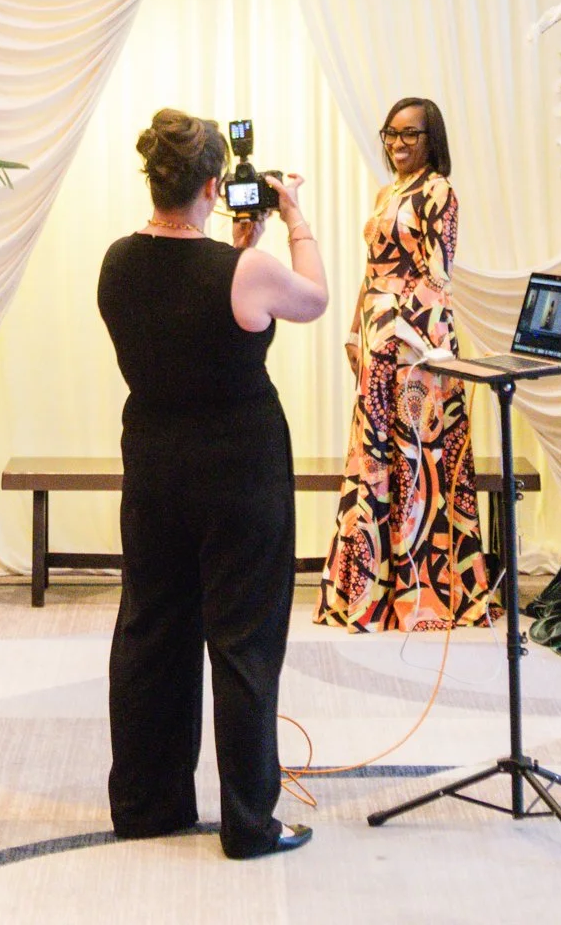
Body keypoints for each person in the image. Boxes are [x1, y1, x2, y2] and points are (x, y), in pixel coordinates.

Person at [97, 107, 329, 860]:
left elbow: (178, 310)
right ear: (212, 183)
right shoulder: (247, 270)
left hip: (154, 463)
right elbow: (312, 299)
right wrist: (293, 217)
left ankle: (145, 803)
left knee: (150, 629)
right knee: (242, 643)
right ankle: (248, 824)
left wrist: (235, 254)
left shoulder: (116, 261)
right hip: (238, 469)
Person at [317, 95, 492, 631]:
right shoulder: (386, 192)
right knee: (374, 462)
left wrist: (410, 337)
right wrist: (355, 331)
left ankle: (424, 595)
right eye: (391, 133)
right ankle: (368, 591)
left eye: (409, 134)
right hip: (378, 340)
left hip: (417, 348)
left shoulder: (440, 191)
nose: (397, 143)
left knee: (419, 463)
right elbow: (374, 270)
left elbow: (439, 276)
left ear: (430, 138)